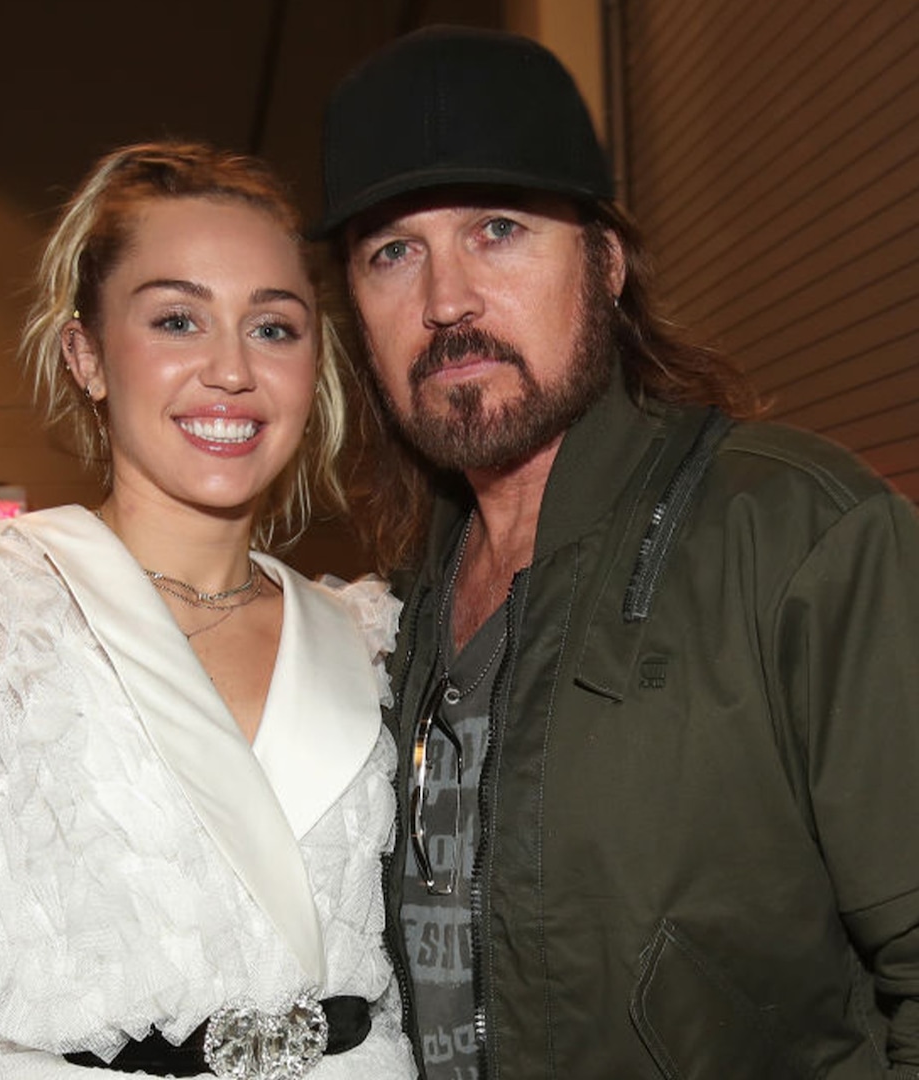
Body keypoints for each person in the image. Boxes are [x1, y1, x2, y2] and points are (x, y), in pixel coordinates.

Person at [314, 24, 919, 1080]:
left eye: (499, 228)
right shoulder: (401, 614)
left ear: (606, 260)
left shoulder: (799, 540)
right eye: (392, 252)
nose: (445, 300)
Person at [0, 142, 416, 1079]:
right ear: (88, 356)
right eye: (178, 320)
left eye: (273, 328)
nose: (230, 370)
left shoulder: (369, 636)